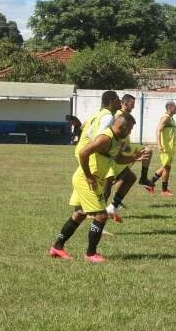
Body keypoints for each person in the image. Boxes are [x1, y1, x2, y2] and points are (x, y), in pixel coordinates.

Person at [49, 114, 147, 263]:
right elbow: (83, 153)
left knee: (80, 213)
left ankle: (57, 247)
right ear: (122, 126)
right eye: (130, 128)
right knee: (101, 215)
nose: (130, 132)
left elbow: (118, 158)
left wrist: (133, 158)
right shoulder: (105, 137)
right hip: (86, 180)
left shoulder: (118, 139)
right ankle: (90, 254)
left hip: (91, 179)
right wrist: (88, 176)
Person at [103, 94, 154, 222]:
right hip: (116, 153)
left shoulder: (125, 116)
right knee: (107, 185)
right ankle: (97, 213)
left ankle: (112, 207)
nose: (133, 107)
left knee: (130, 176)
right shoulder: (117, 116)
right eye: (131, 104)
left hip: (124, 150)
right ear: (123, 103)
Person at [149, 101, 176, 196]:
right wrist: (159, 145)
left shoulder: (170, 118)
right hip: (165, 147)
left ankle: (150, 184)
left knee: (165, 167)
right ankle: (164, 190)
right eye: (175, 108)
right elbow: (158, 130)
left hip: (170, 148)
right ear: (170, 108)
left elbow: (173, 132)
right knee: (167, 168)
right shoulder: (165, 118)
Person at [74, 91, 121, 160]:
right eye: (118, 99)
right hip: (90, 154)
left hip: (84, 150)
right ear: (111, 102)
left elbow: (83, 128)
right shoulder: (108, 117)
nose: (120, 101)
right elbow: (99, 140)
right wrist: (109, 156)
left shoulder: (98, 113)